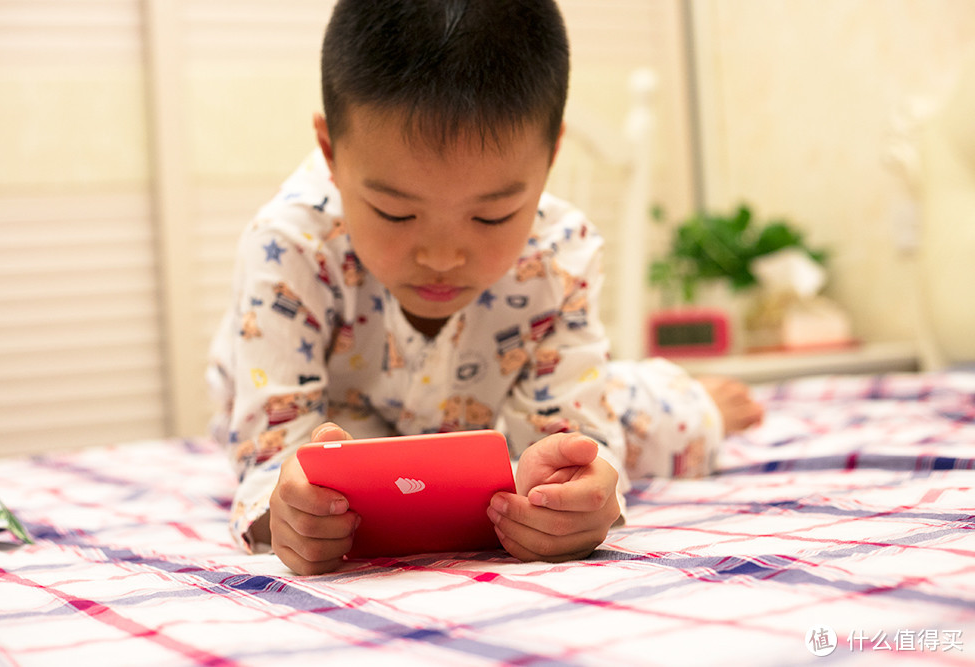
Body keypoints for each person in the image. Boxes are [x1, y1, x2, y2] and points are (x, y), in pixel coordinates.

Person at [207, 0, 763, 575]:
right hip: (345, 419)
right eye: (395, 213)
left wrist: (569, 498)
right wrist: (294, 514)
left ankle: (690, 402)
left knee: (652, 427)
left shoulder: (560, 254)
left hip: (493, 407)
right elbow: (270, 453)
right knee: (343, 475)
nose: (442, 258)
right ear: (330, 153)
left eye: (492, 217)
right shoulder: (290, 247)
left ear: (549, 160)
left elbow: (569, 440)